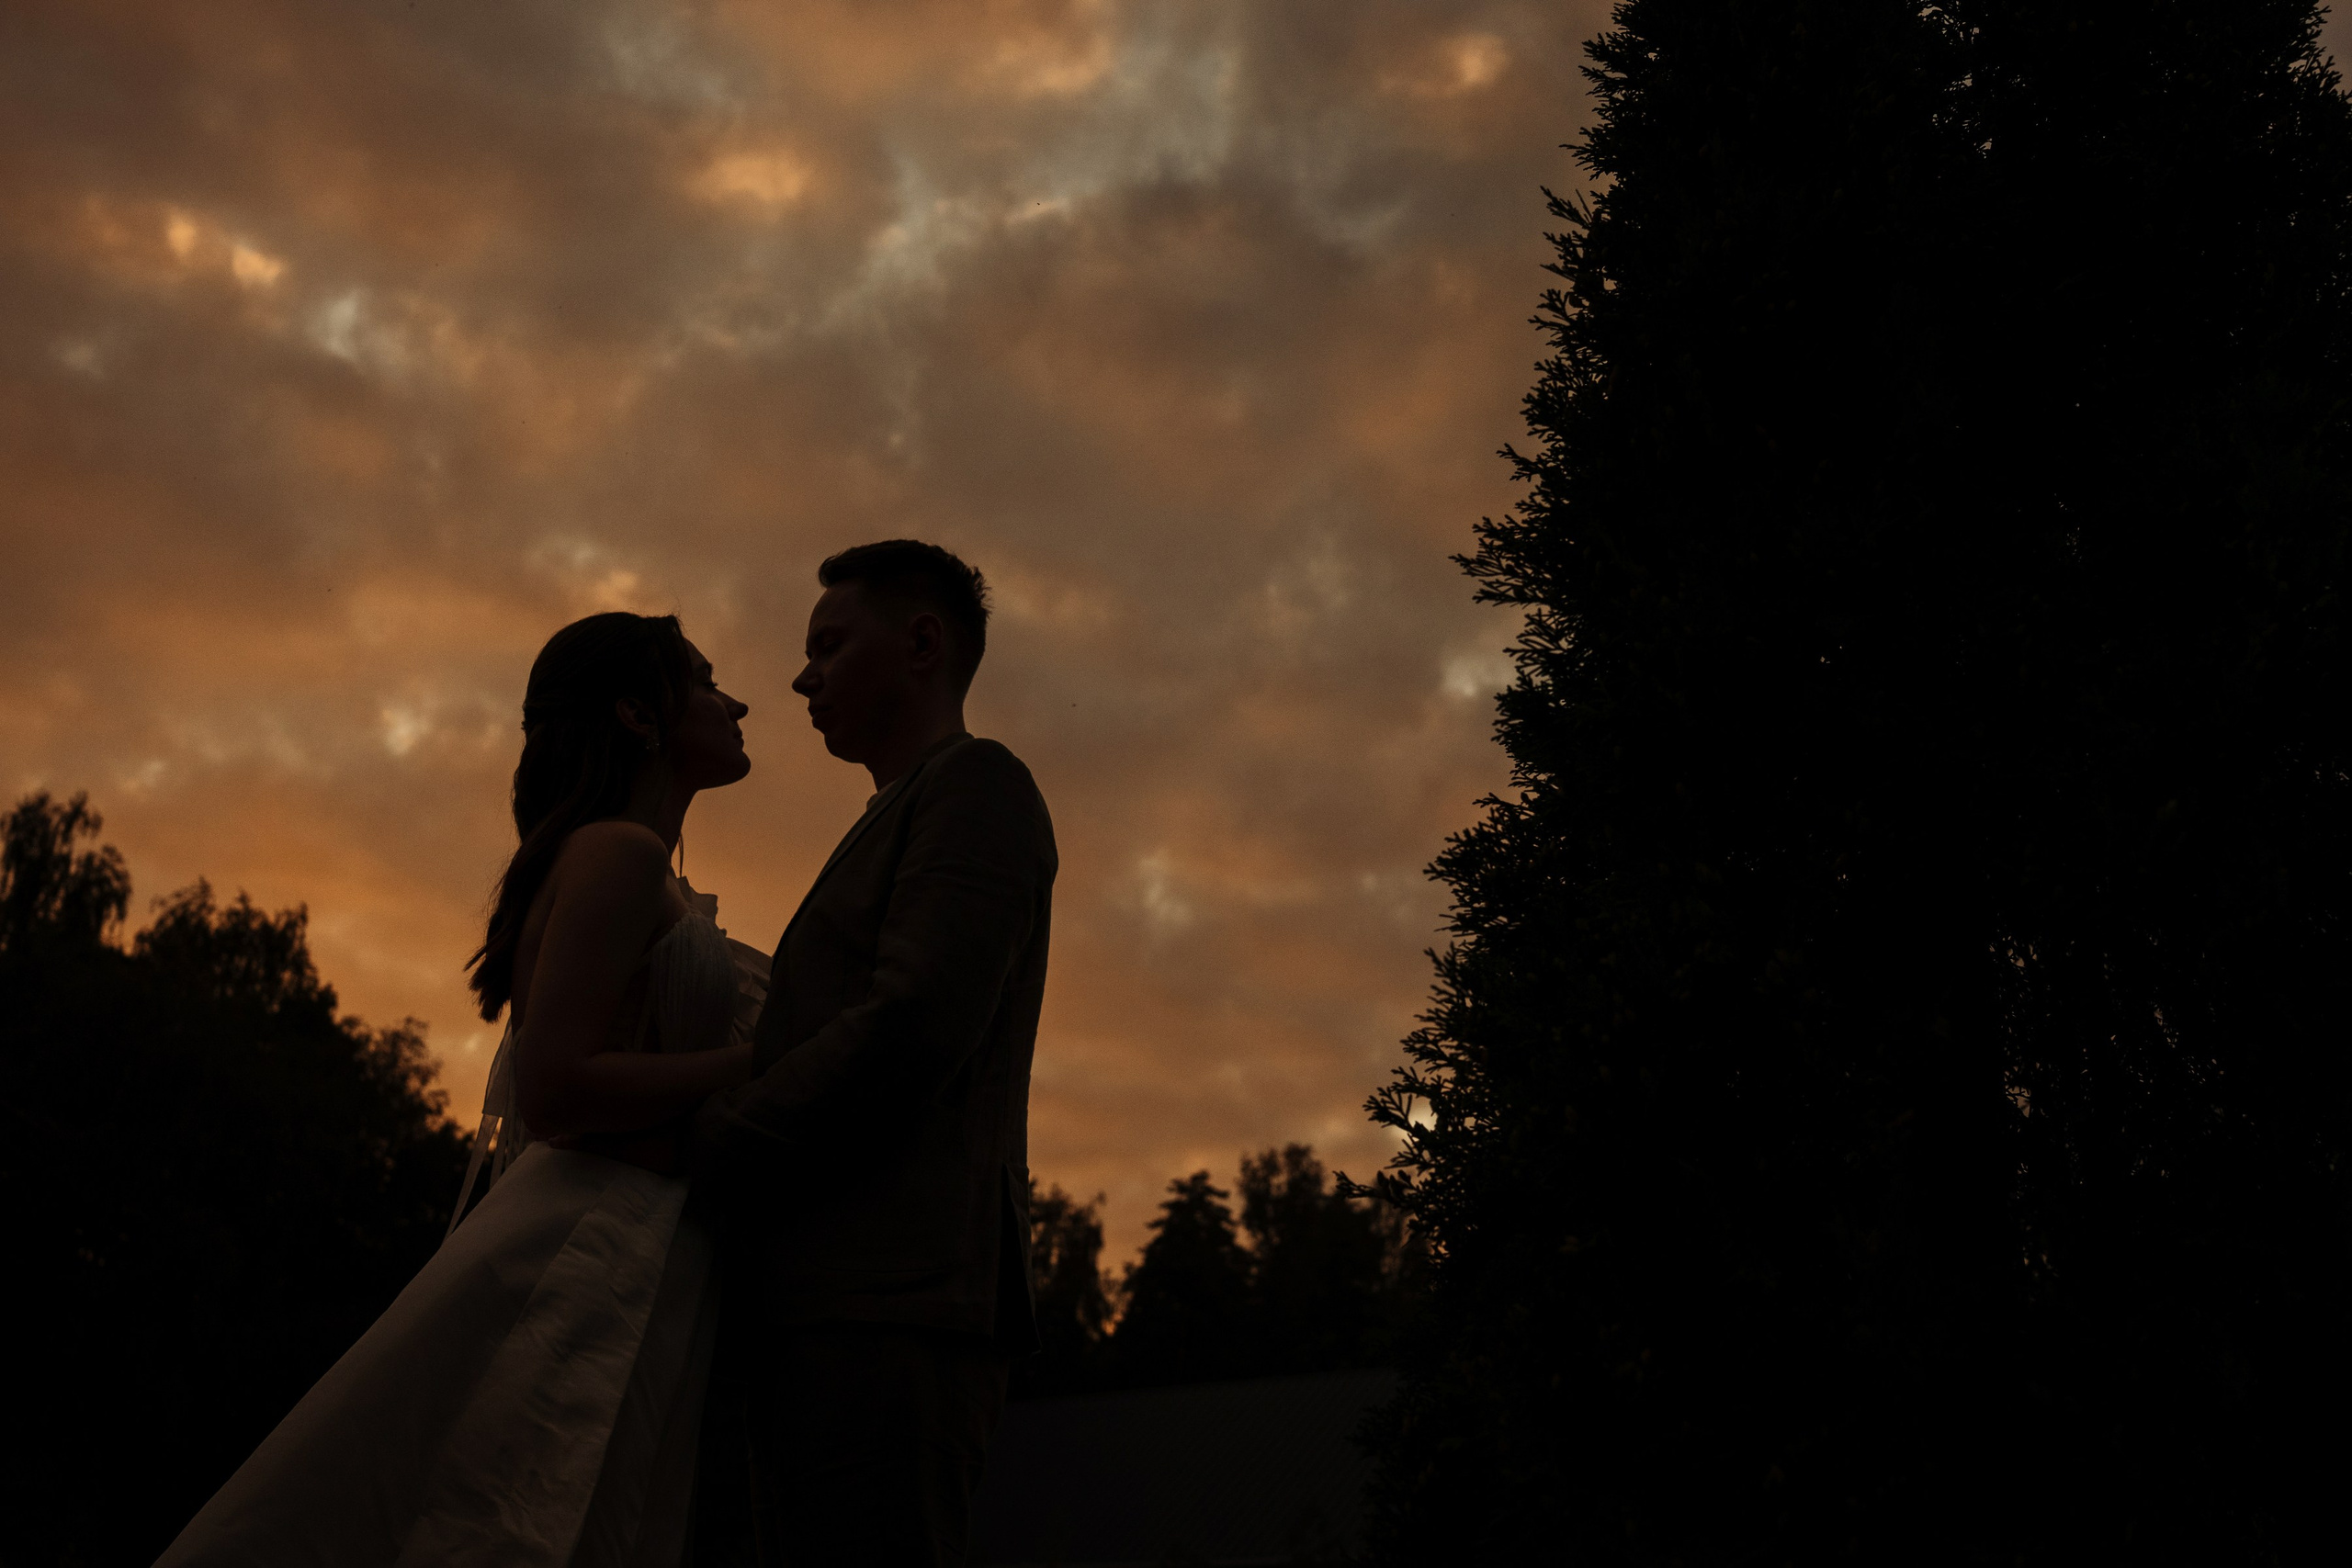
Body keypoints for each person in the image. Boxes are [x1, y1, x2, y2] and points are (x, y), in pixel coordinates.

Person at [155, 611, 765, 1568]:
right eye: (703, 678)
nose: (735, 701)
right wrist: (760, 1067)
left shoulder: (627, 862)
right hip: (594, 1248)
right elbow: (556, 1090)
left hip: (631, 1245)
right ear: (639, 716)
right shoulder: (621, 855)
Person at [692, 540, 1057, 1567]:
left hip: (893, 1310)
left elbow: (914, 1024)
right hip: (838, 1305)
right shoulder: (900, 811)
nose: (802, 677)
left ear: (923, 644)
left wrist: (713, 1143)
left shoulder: (976, 787)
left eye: (829, 645)